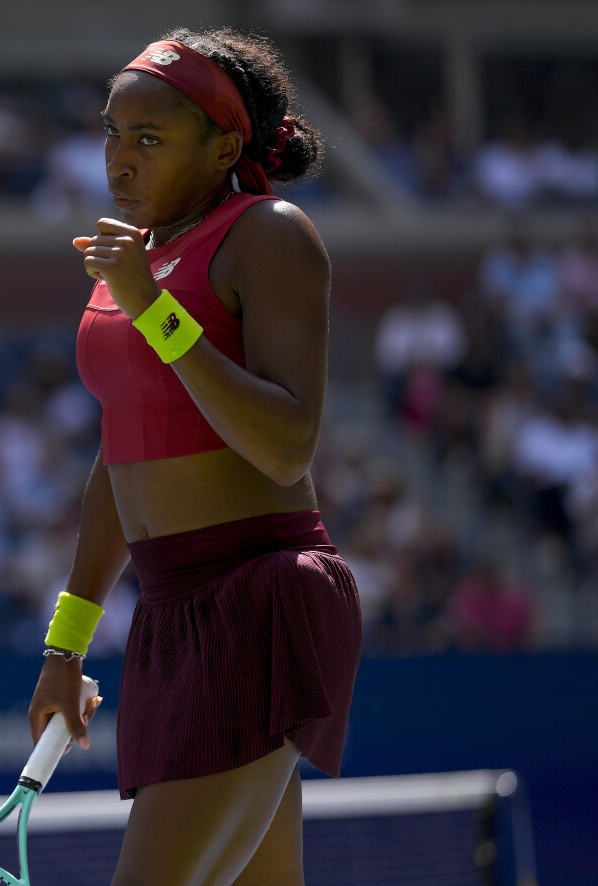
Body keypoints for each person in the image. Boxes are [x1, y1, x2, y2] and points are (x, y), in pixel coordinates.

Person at [25, 28, 363, 884]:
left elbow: (287, 445)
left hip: (260, 601)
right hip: (171, 617)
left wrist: (152, 310)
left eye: (149, 139)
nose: (120, 161)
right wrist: (66, 648)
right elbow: (123, 455)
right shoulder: (129, 267)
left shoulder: (270, 234)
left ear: (224, 147)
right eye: (110, 132)